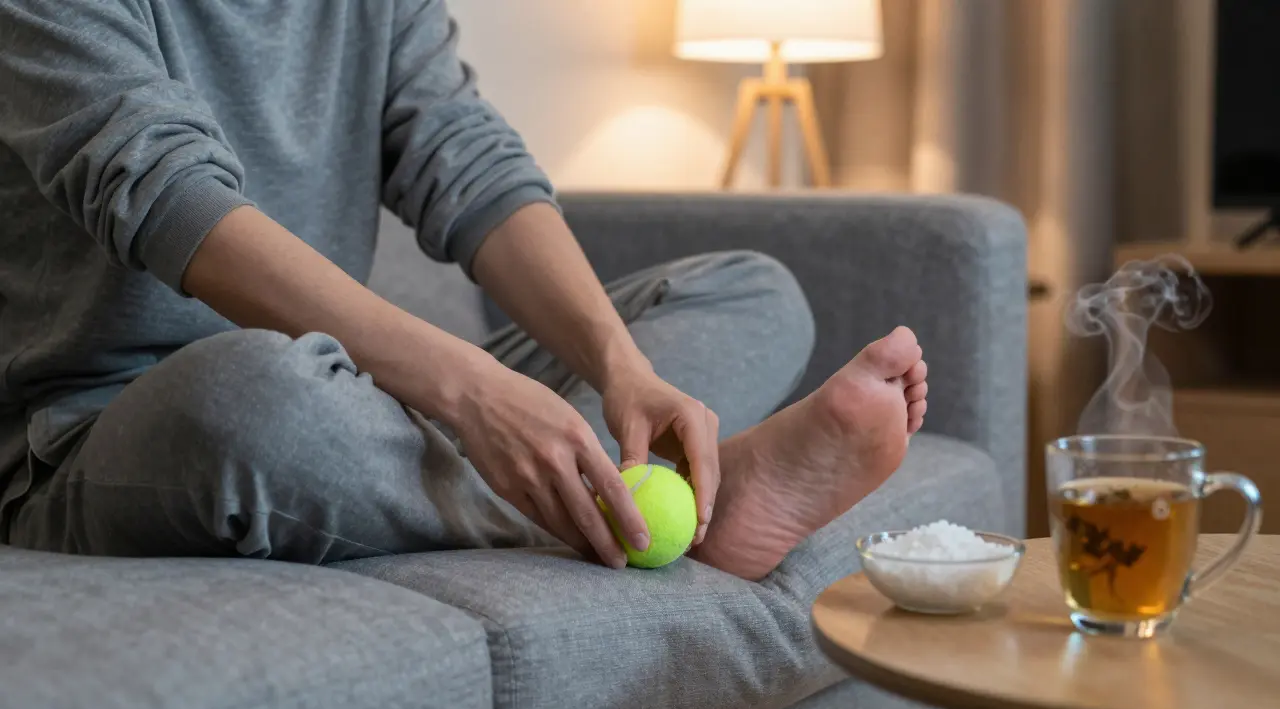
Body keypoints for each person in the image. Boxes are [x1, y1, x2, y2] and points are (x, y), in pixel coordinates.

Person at [0, 0, 928, 581]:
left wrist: (620, 366)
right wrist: (471, 390)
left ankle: (623, 486)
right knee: (257, 396)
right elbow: (166, 194)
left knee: (747, 287)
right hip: (104, 430)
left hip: (360, 388)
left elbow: (466, 162)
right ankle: (638, 513)